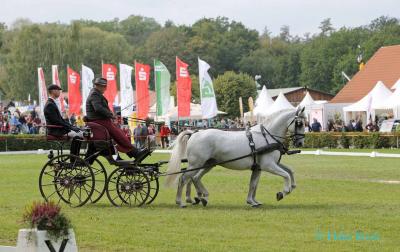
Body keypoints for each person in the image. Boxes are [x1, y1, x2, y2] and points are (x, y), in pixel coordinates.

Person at [85, 77, 147, 159]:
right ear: (98, 86)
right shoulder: (94, 94)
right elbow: (98, 108)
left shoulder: (96, 93)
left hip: (100, 120)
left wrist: (110, 114)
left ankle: (131, 152)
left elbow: (101, 108)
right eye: (103, 86)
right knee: (118, 133)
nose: (104, 88)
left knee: (119, 132)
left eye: (105, 86)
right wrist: (110, 115)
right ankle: (134, 152)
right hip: (99, 121)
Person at [44, 84, 83, 155]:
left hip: (58, 129)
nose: (59, 92)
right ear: (53, 91)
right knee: (78, 135)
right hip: (55, 131)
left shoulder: (52, 103)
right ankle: (74, 158)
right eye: (58, 90)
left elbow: (60, 120)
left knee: (79, 133)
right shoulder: (50, 104)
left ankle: (74, 157)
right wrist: (71, 127)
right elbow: (57, 121)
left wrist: (72, 127)